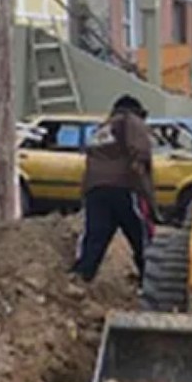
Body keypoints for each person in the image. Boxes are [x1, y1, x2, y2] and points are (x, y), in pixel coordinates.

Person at [71, 95, 157, 285]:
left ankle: (82, 276)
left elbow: (91, 159)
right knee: (141, 235)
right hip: (124, 187)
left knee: (95, 235)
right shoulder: (131, 121)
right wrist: (147, 192)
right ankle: (149, 278)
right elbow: (141, 152)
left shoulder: (103, 128)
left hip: (96, 189)